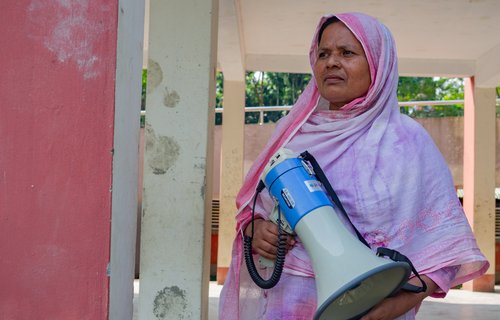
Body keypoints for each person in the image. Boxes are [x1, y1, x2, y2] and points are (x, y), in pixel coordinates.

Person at [219, 12, 489, 320]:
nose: (331, 62)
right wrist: (256, 230)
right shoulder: (292, 133)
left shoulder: (407, 142)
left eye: (347, 53)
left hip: (371, 307)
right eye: (323, 54)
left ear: (377, 64)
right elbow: (251, 210)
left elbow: (445, 251)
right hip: (286, 305)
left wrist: (391, 308)